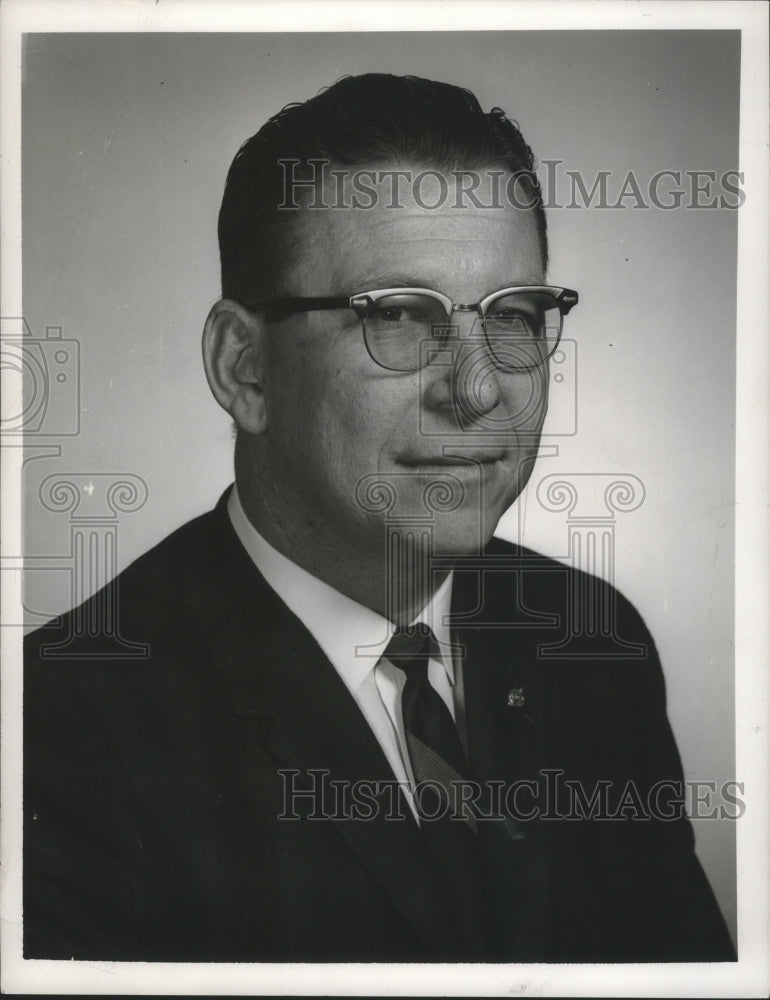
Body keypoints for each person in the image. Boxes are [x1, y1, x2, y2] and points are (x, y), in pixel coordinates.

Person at [23, 73, 735, 963]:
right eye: (400, 316)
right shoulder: (58, 727)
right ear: (245, 368)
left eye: (513, 316)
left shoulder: (594, 645)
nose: (479, 391)